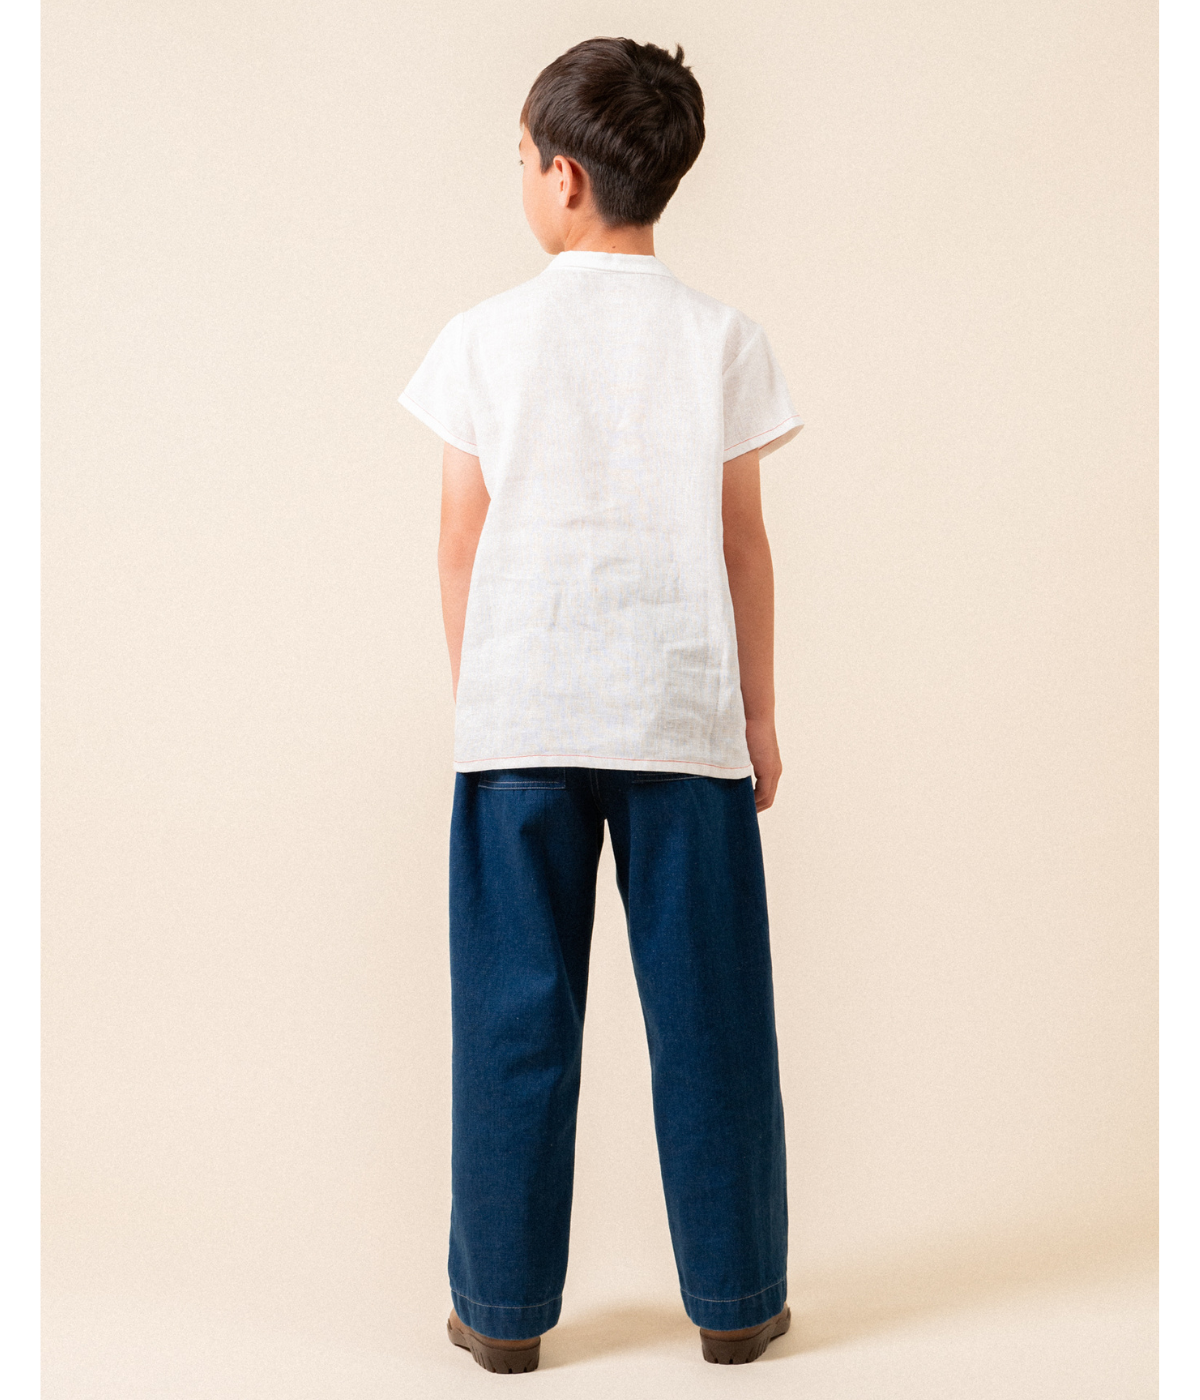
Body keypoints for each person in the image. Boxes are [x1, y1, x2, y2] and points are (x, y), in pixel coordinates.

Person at [399, 36, 803, 1372]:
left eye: (522, 157)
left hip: (520, 724)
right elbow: (743, 544)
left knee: (513, 1024)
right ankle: (737, 1302)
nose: (520, 177)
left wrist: (485, 698)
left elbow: (460, 544)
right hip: (681, 720)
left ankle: (501, 1315)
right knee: (713, 1020)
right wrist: (757, 715)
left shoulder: (482, 339)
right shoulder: (720, 339)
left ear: (564, 176)